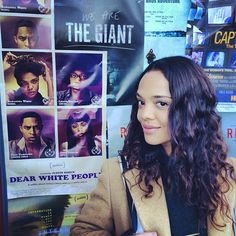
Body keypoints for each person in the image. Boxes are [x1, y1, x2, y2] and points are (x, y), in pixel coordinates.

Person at [70, 56, 236, 235]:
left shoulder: (229, 172)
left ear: (193, 108)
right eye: (141, 102)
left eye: (161, 103)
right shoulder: (118, 173)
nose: (145, 114)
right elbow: (81, 231)